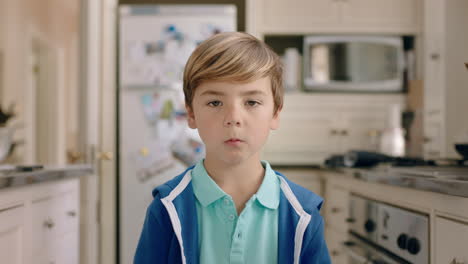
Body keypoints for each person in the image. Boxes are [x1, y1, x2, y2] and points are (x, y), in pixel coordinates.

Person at [134, 32, 331, 264]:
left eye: (251, 102)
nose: (233, 118)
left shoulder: (303, 214)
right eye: (215, 102)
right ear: (191, 114)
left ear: (275, 114)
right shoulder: (166, 208)